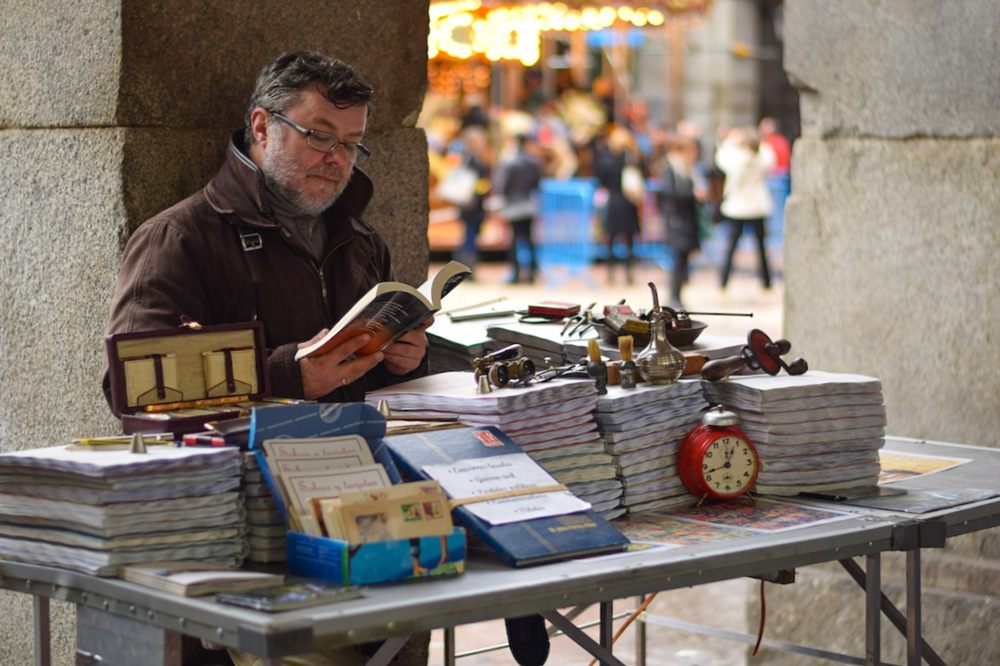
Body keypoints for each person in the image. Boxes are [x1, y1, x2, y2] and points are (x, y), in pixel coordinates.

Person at [101, 50, 432, 665]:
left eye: (352, 144)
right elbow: (132, 390)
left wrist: (408, 357)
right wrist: (288, 373)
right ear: (261, 127)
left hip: (364, 509)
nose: (336, 160)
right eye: (319, 137)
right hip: (247, 528)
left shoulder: (361, 242)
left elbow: (384, 374)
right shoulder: (181, 236)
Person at [714, 126, 775, 290]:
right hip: (756, 206)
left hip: (738, 207)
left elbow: (721, 158)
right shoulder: (761, 157)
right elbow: (769, 157)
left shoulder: (735, 158)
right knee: (761, 247)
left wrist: (730, 140)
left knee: (731, 246)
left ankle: (723, 281)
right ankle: (766, 281)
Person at [657, 136, 708, 309]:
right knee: (677, 259)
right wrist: (692, 194)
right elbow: (669, 194)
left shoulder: (688, 170)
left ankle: (678, 295)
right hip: (676, 220)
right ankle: (673, 296)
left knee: (684, 259)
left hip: (687, 220)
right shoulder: (671, 169)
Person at [593, 125, 645, 285]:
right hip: (627, 202)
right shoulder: (631, 159)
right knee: (628, 241)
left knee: (612, 239)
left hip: (615, 201)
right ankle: (628, 275)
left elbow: (601, 178)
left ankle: (611, 275)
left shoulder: (608, 159)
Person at [493, 133, 542, 284]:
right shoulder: (533, 161)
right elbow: (537, 182)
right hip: (528, 204)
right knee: (529, 238)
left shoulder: (510, 161)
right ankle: (533, 271)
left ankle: (516, 272)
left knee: (514, 239)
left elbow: (503, 184)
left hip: (513, 205)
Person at [450, 126, 492, 273]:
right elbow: (475, 183)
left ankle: (464, 266)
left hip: (471, 205)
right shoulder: (473, 159)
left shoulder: (468, 158)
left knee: (469, 236)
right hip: (472, 206)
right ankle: (465, 268)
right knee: (470, 237)